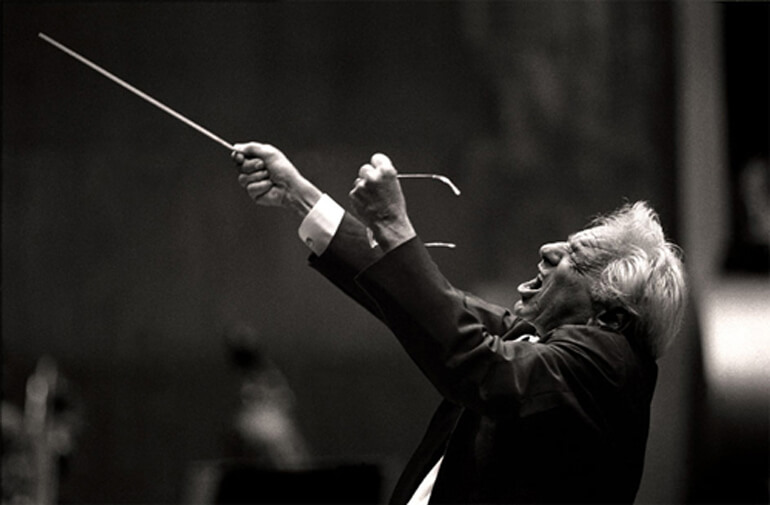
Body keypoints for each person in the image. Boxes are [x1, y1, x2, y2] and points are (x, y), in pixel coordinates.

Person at [231, 142, 687, 504]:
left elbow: (475, 361)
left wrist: (394, 224)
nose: (548, 249)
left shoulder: (609, 365)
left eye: (576, 256)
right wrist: (299, 195)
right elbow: (418, 303)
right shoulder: (540, 347)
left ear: (608, 312)